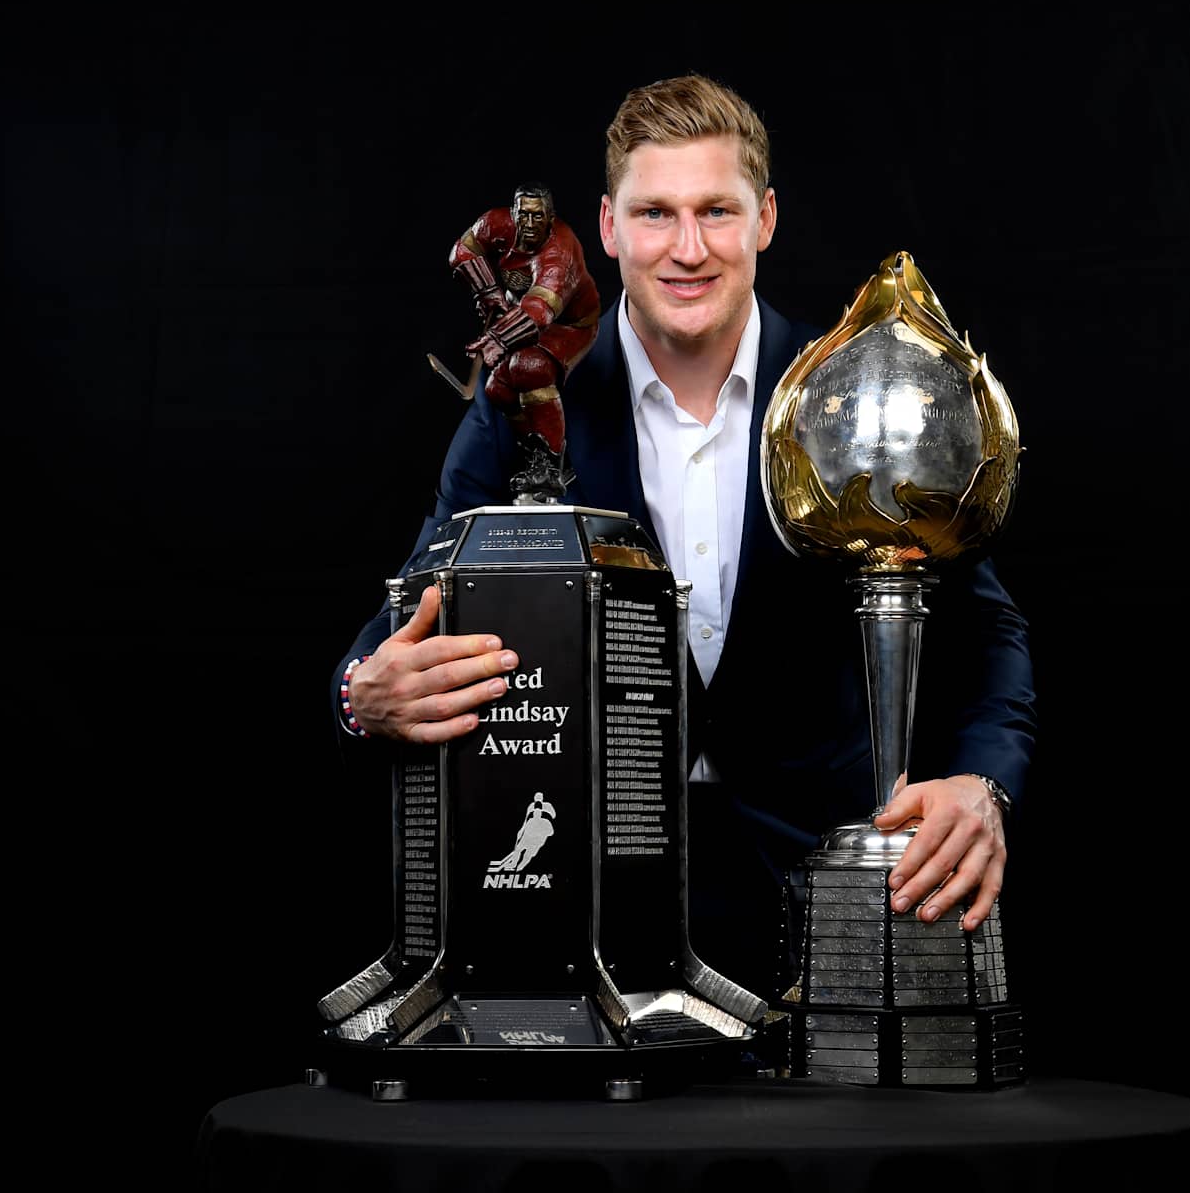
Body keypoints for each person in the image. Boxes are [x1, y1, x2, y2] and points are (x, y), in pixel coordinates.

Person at [336, 75, 1036, 1001]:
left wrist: (983, 789)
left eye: (717, 210)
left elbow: (990, 638)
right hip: (591, 930)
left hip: (829, 924)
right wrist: (362, 695)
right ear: (610, 227)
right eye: (656, 213)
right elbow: (390, 638)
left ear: (767, 219)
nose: (689, 248)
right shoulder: (523, 405)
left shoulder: (854, 389)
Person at [447, 182, 601, 500]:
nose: (529, 225)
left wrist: (497, 340)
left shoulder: (561, 254)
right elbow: (461, 252)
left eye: (537, 217)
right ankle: (543, 454)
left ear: (550, 218)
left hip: (570, 326)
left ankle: (549, 464)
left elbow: (538, 314)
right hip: (526, 318)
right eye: (524, 216)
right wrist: (488, 291)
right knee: (497, 390)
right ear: (514, 213)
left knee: (528, 366)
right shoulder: (496, 223)